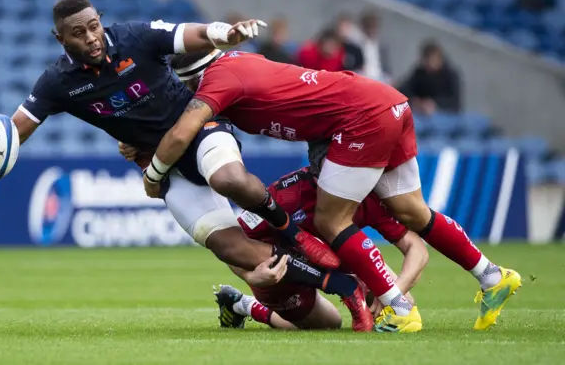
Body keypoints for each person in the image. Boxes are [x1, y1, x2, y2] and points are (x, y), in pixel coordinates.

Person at [0, 0, 347, 298]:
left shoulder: (134, 38)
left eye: (93, 26)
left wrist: (225, 33)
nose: (91, 37)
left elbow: (186, 34)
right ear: (61, 39)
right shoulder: (57, 82)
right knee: (233, 250)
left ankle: (292, 233)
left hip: (201, 131)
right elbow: (17, 129)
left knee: (229, 178)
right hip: (163, 168)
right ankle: (342, 286)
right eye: (78, 33)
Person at [146, 49, 521, 333]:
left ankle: (399, 309)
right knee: (412, 212)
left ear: (191, 80)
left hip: (359, 118)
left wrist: (153, 171)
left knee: (330, 219)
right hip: (387, 103)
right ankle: (491, 275)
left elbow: (183, 131)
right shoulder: (241, 64)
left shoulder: (218, 78)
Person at [214, 143, 428, 331]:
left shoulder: (367, 194)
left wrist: (393, 294)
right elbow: (232, 244)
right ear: (317, 170)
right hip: (286, 272)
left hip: (343, 260)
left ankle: (356, 286)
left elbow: (416, 248)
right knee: (327, 325)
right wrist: (249, 276)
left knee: (403, 303)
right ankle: (243, 304)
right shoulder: (286, 194)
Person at [399, 40, 461, 115]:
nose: (430, 64)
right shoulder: (419, 73)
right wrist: (415, 101)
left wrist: (435, 103)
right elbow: (404, 89)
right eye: (427, 60)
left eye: (433, 59)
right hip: (421, 114)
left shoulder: (450, 75)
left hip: (444, 115)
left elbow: (454, 102)